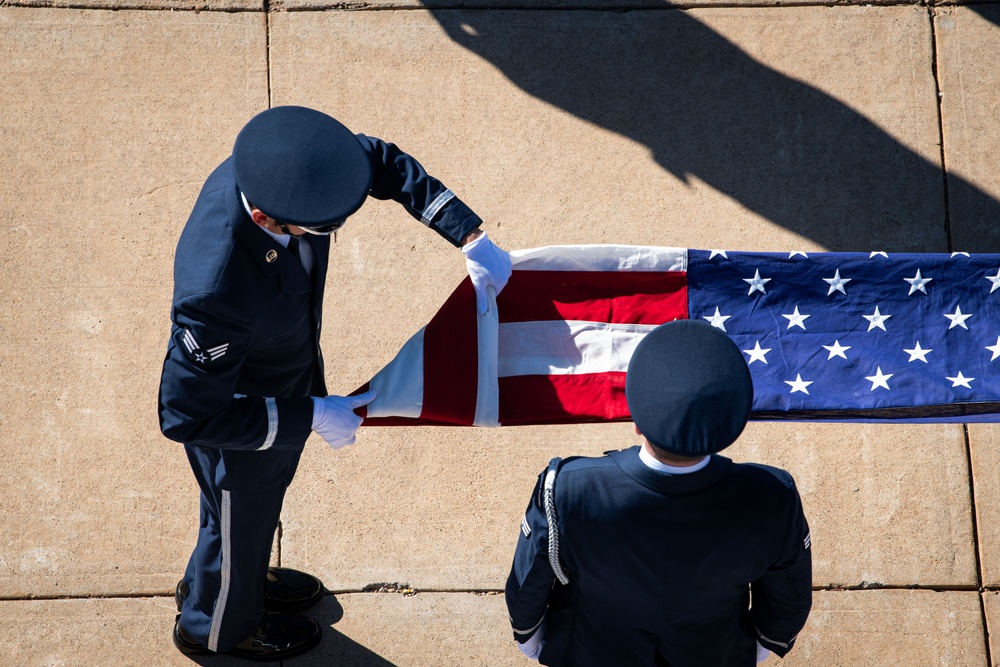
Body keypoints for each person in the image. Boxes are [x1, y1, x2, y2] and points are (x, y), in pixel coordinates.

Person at [158, 105, 511, 661]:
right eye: (321, 227)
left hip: (286, 375)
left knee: (244, 515)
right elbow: (186, 415)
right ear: (265, 222)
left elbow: (383, 163)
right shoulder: (215, 287)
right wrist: (311, 415)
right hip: (245, 418)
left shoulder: (296, 167)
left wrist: (468, 235)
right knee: (240, 511)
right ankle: (217, 624)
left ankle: (231, 579)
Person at [505, 319, 812, 666]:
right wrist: (749, 650)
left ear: (637, 421)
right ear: (726, 427)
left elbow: (527, 587)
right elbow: (788, 602)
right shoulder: (772, 498)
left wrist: (534, 642)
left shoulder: (567, 488)